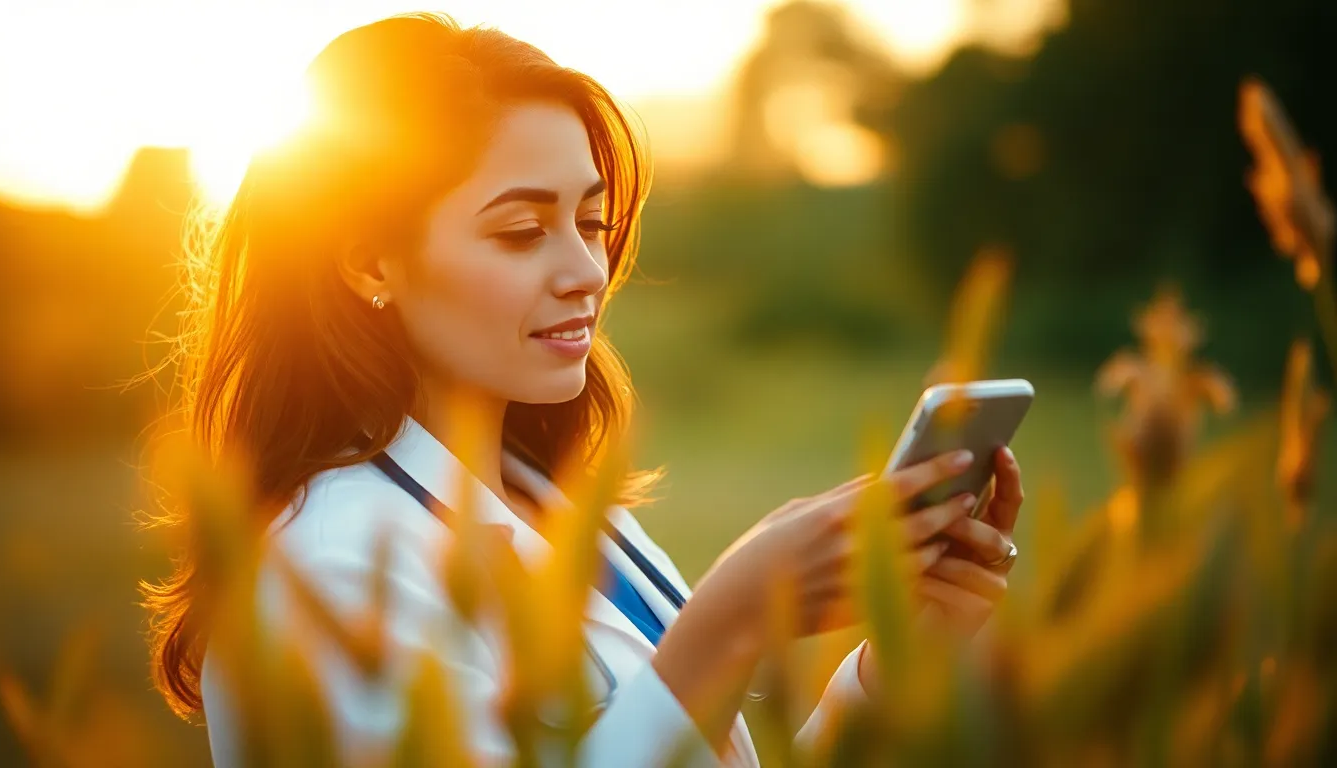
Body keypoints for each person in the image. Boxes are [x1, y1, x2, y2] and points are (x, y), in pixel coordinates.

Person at [142, 12, 1024, 767]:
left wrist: (895, 663)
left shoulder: (559, 507)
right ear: (372, 260)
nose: (586, 271)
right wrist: (731, 618)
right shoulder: (328, 566)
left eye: (592, 222)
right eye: (522, 231)